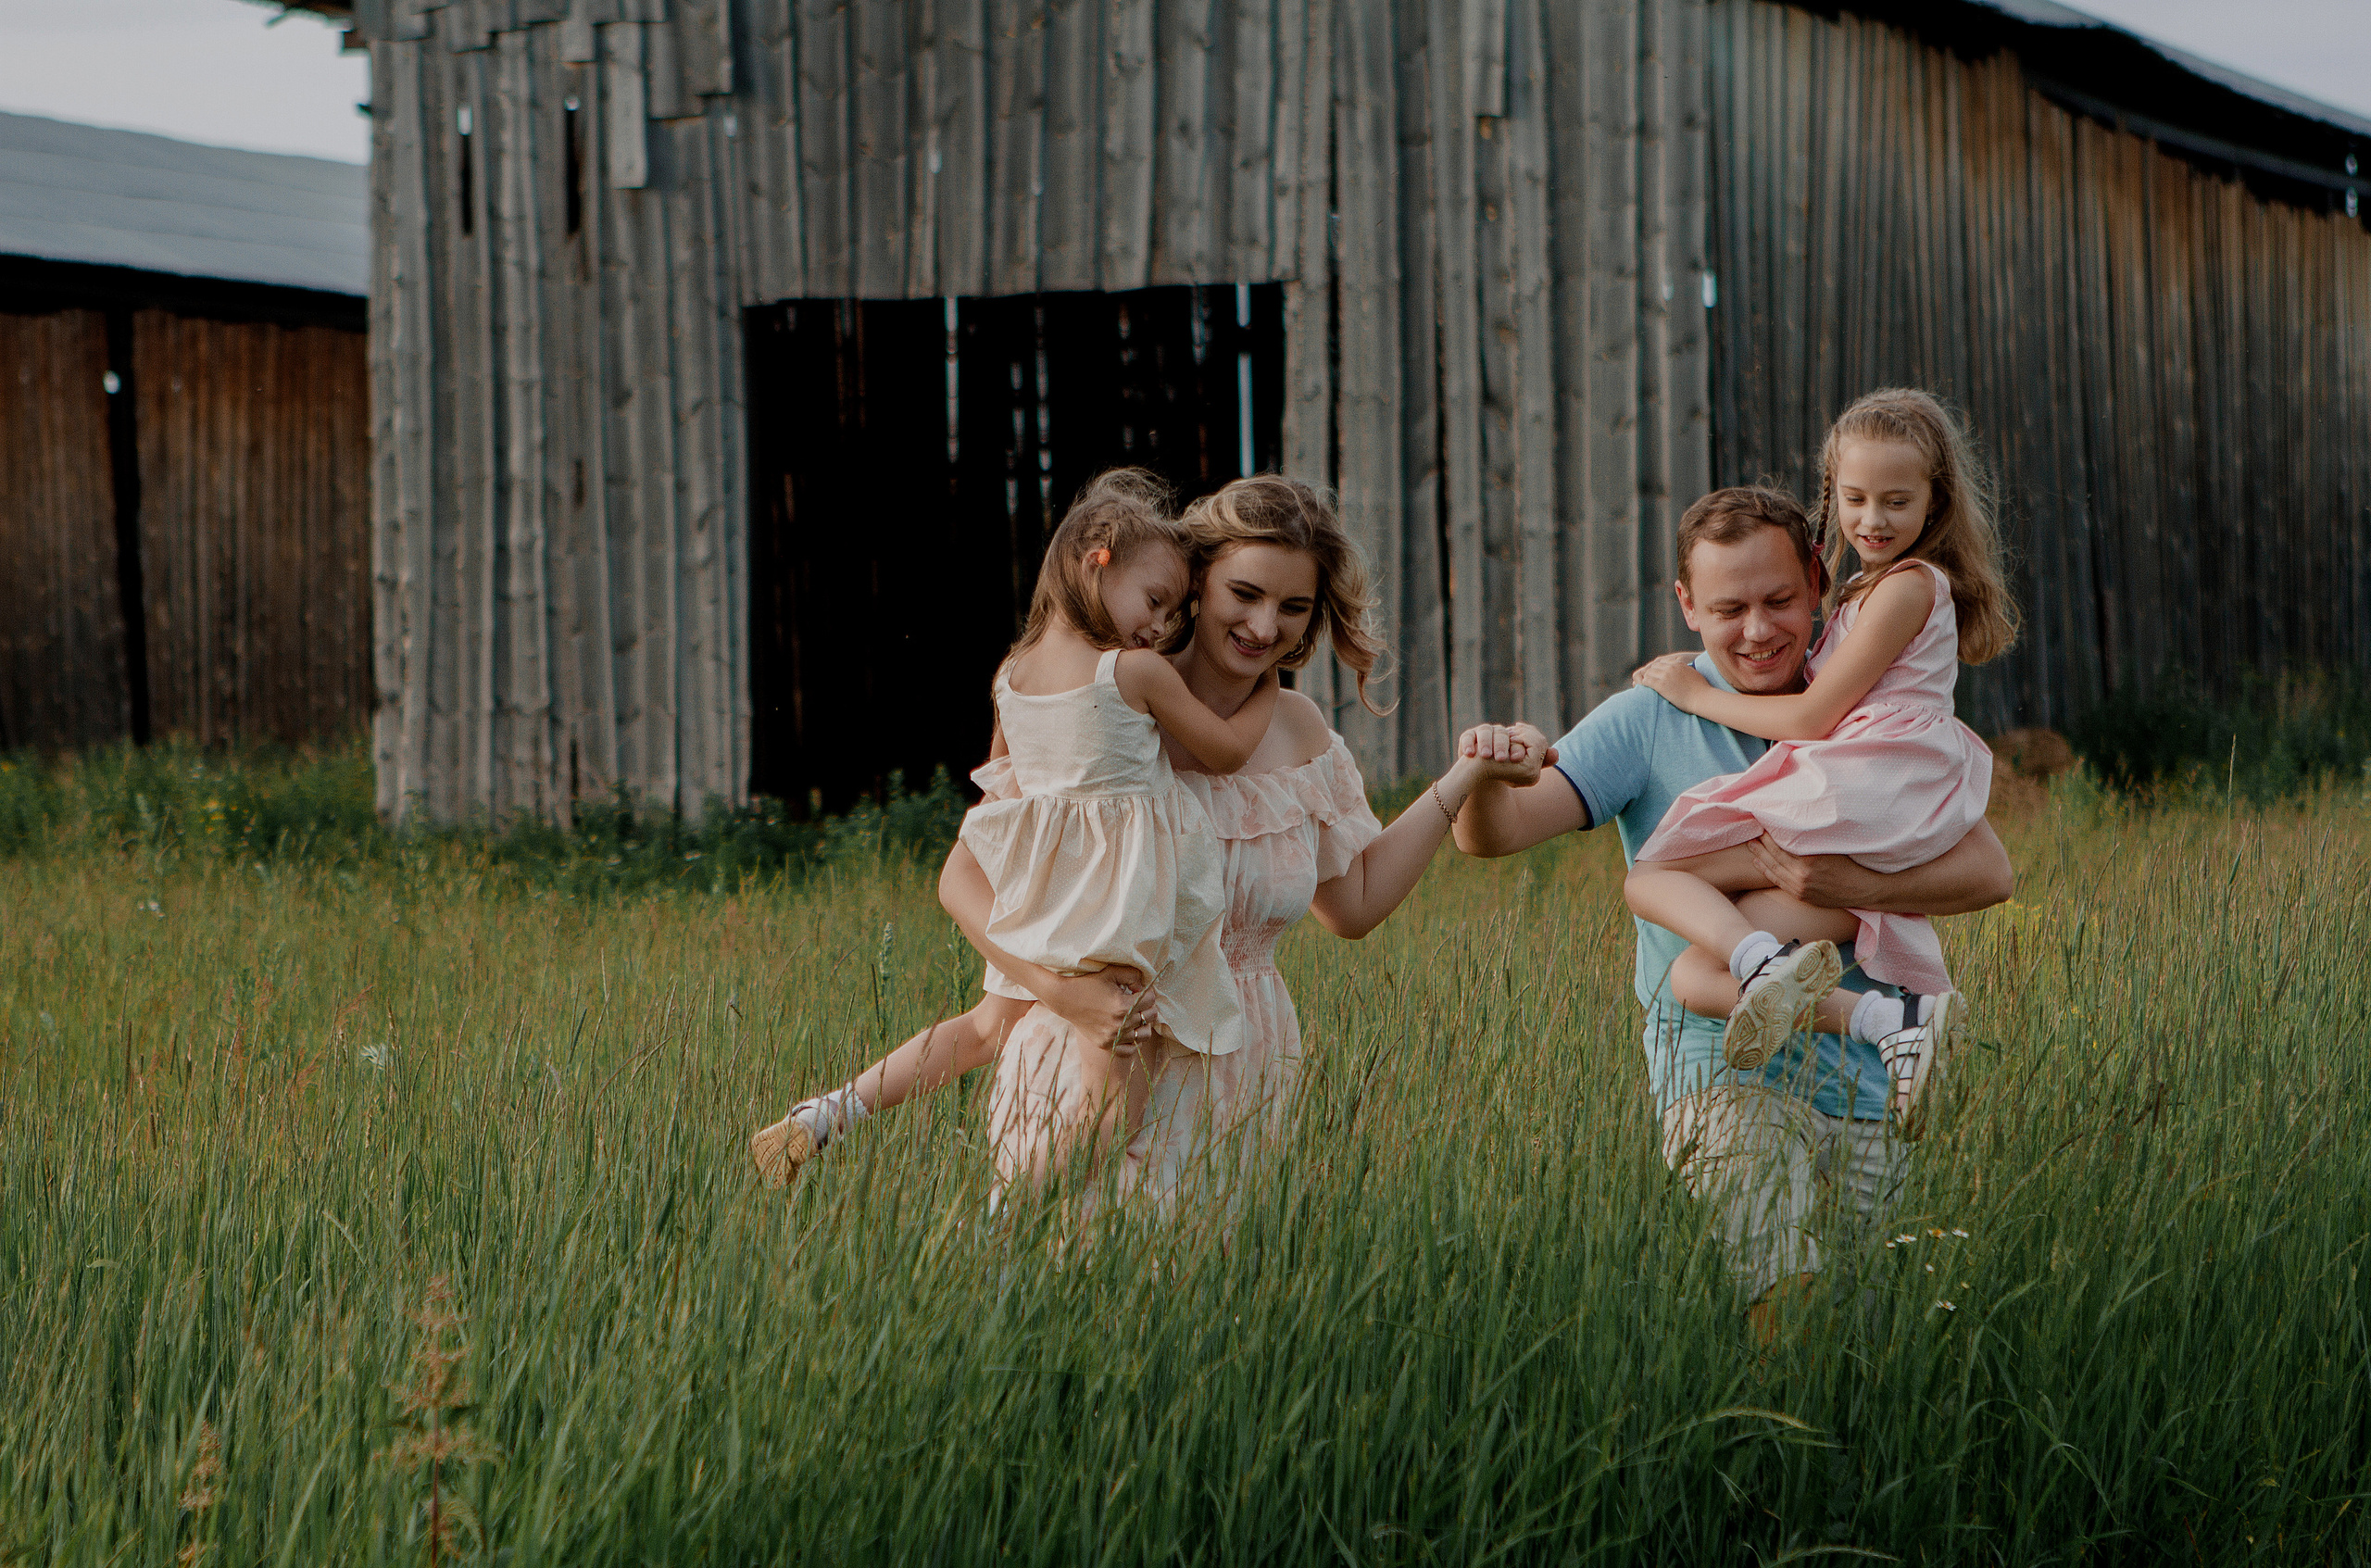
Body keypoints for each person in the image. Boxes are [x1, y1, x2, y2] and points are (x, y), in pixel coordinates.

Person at [749, 473, 1549, 1207]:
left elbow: (1357, 903)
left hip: (1241, 1073)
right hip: (1092, 1050)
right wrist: (1062, 993)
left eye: (1295, 608)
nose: (1265, 625)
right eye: (1244, 592)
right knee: (1054, 1272)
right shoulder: (1101, 713)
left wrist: (1462, 779)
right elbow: (966, 876)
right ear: (1196, 584)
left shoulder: (1301, 729)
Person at [1453, 482, 2013, 1340]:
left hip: (1870, 1083)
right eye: (1728, 608)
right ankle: (1779, 1457)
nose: (1757, 629)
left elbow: (1986, 870)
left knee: (1878, 1332)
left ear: (1820, 582)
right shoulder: (1646, 718)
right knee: (1782, 1299)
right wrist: (1487, 777)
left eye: (1780, 600)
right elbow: (1493, 838)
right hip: (1722, 1068)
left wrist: (1839, 883)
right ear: (1686, 605)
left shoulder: (1867, 700)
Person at [753, 470, 1281, 1194]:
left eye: (1174, 615)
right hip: (1111, 911)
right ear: (1098, 553)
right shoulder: (1136, 672)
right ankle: (1013, 1213)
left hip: (1039, 903)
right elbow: (1224, 752)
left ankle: (832, 1110)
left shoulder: (1012, 676)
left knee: (982, 1027)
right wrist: (1269, 685)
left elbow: (1002, 803)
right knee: (1113, 1099)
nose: (1161, 626)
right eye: (1155, 601)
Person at [1624, 389, 2019, 1131]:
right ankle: (1887, 1017)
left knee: (1652, 873)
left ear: (1934, 503)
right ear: (1832, 494)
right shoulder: (1863, 594)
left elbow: (1811, 716)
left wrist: (1693, 693)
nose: (1872, 519)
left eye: (1896, 501)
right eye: (1854, 497)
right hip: (1865, 795)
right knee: (1694, 973)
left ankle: (1774, 967)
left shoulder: (1910, 586)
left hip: (1864, 790)